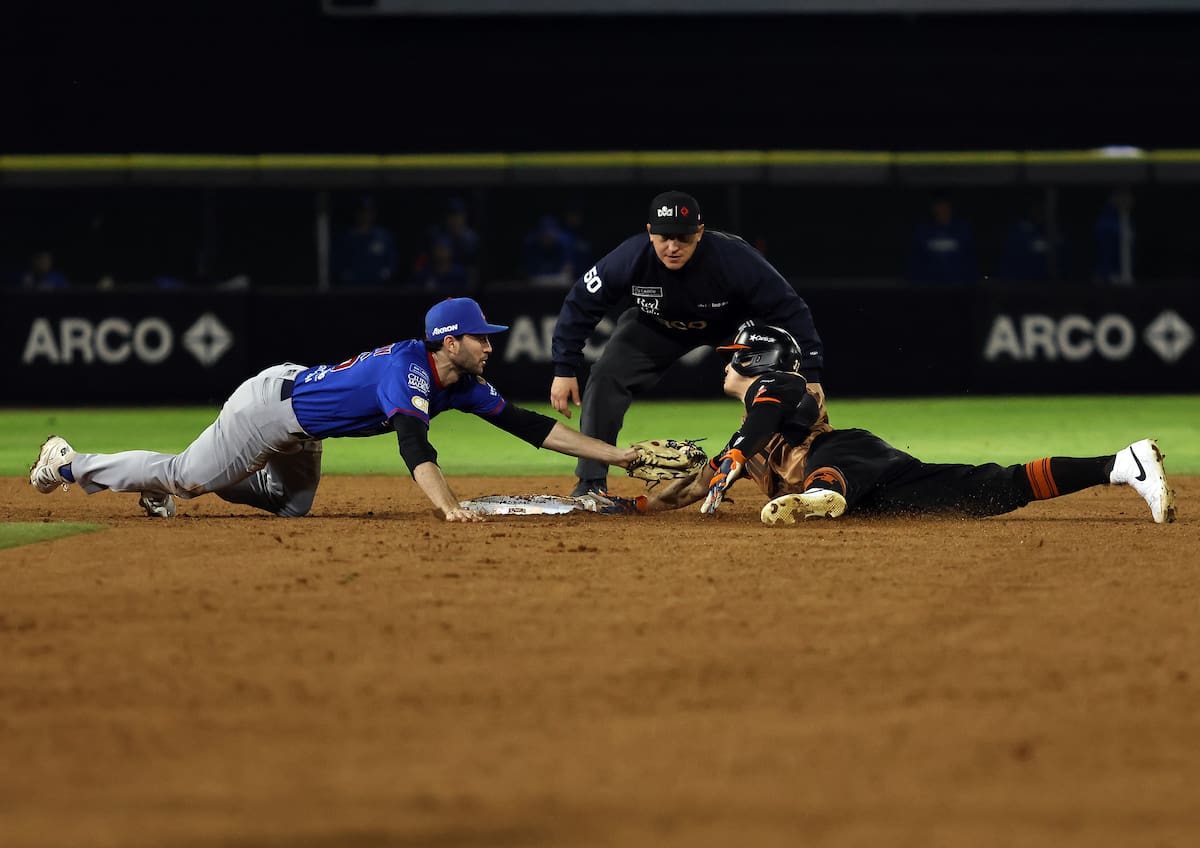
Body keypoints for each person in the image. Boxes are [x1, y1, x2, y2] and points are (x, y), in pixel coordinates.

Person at [29, 297, 639, 524]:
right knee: (186, 475)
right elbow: (412, 444)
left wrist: (621, 456)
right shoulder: (408, 370)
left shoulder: (460, 382)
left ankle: (216, 479)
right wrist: (449, 508)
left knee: (292, 507)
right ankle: (68, 463)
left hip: (303, 424)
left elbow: (530, 427)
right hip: (269, 411)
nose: (491, 343)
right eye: (481, 336)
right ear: (450, 342)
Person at [631, 324, 1177, 525]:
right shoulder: (743, 436)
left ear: (755, 361)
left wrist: (733, 452)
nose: (725, 364)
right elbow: (696, 487)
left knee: (826, 476)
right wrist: (636, 503)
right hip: (880, 487)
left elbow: (767, 414)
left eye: (735, 356)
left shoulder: (792, 387)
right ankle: (1121, 464)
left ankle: (818, 501)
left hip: (848, 457)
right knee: (992, 490)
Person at [550, 190, 825, 497]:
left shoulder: (733, 257)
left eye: (683, 237)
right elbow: (580, 303)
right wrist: (564, 368)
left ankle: (813, 472)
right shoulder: (629, 257)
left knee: (779, 389)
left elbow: (790, 309)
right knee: (604, 378)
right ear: (650, 232)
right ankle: (590, 483)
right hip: (654, 326)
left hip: (731, 327)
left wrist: (810, 376)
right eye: (665, 237)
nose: (673, 246)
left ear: (700, 232)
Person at [906, 195, 978, 285]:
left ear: (951, 209)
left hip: (958, 285)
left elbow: (970, 258)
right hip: (929, 286)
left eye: (945, 208)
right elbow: (915, 259)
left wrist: (970, 282)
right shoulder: (923, 230)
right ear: (933, 210)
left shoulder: (962, 229)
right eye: (939, 208)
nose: (942, 211)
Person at [332, 196, 398, 286]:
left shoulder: (383, 237)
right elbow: (338, 262)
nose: (365, 216)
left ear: (374, 214)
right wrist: (346, 276)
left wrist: (386, 274)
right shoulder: (347, 238)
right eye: (362, 212)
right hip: (353, 288)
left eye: (369, 212)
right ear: (356, 214)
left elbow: (392, 262)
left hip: (379, 288)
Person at [521, 214, 576, 287]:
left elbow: (568, 270)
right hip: (537, 281)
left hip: (558, 281)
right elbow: (527, 273)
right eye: (545, 234)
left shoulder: (565, 242)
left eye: (550, 233)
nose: (547, 236)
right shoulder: (531, 242)